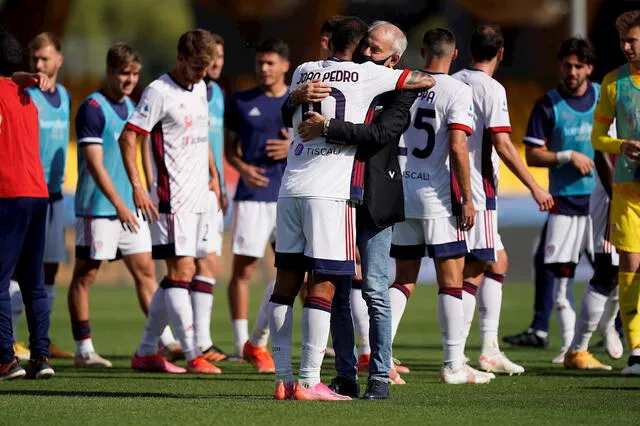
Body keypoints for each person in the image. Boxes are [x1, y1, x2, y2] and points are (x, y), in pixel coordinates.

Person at [269, 16, 435, 401]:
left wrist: (326, 126)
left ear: (393, 59)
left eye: (375, 49)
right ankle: (341, 375)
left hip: (372, 198)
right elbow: (428, 77)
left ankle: (379, 374)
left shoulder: (390, 87)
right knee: (335, 291)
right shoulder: (360, 75)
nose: (367, 53)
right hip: (334, 196)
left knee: (374, 290)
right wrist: (295, 98)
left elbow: (381, 134)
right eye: (366, 46)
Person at [388, 27, 495, 385]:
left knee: (402, 279)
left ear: (422, 52)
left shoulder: (401, 83)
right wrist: (466, 197)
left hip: (402, 192)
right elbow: (458, 146)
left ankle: (379, 358)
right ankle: (453, 365)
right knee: (451, 281)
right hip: (436, 197)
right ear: (454, 54)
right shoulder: (456, 90)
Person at [451, 24, 554, 375]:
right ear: (501, 53)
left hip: (448, 184)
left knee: (498, 262)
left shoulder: (452, 80)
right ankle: (458, 355)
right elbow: (503, 144)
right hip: (477, 190)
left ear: (468, 50)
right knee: (476, 268)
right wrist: (535, 187)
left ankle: (489, 349)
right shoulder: (491, 89)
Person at [68, 43, 178, 369]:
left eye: (133, 74)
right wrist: (119, 203)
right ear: (109, 71)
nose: (129, 80)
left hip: (130, 207)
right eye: (123, 73)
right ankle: (84, 349)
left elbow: (139, 150)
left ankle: (166, 340)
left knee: (146, 271)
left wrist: (144, 190)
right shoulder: (92, 107)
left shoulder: (132, 106)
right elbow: (95, 164)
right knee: (85, 275)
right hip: (98, 207)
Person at [122, 29, 223, 374]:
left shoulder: (201, 88)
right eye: (196, 67)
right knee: (183, 271)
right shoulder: (158, 91)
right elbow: (129, 137)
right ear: (180, 59)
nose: (201, 74)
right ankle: (194, 354)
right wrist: (137, 186)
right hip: (171, 198)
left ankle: (147, 351)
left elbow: (201, 135)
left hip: (198, 197)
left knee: (183, 273)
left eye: (206, 68)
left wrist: (213, 175)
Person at [506, 38, 598, 364]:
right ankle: (556, 337)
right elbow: (532, 154)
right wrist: (567, 155)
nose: (571, 71)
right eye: (566, 65)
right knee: (556, 270)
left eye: (577, 66)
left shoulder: (604, 98)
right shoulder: (548, 104)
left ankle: (617, 336)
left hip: (603, 202)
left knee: (614, 272)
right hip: (565, 202)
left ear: (589, 68)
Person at [224, 39, 290, 370]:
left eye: (270, 63)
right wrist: (243, 169)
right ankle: (241, 343)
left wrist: (292, 146)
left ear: (284, 66)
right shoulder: (240, 100)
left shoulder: (299, 101)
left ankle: (302, 339)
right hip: (252, 197)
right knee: (243, 269)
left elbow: (315, 140)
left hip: (289, 196)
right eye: (260, 62)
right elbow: (229, 149)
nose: (263, 68)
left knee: (297, 271)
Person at [9, 33, 74, 360]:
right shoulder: (24, 94)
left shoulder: (64, 95)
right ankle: (17, 341)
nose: (40, 64)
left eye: (45, 59)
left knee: (47, 271)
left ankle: (42, 341)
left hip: (53, 194)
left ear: (59, 59)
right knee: (19, 271)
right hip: (26, 191)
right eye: (35, 59)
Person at [0, 30, 55, 380]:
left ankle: (6, 360)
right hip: (38, 193)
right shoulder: (26, 96)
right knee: (34, 282)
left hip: (8, 194)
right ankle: (41, 357)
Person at [591, 10, 640, 375]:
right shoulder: (612, 83)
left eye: (633, 40)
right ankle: (637, 350)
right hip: (627, 192)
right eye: (623, 41)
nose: (626, 47)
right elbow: (597, 138)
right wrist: (620, 145)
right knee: (630, 267)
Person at [187, 31, 229, 363]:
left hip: (213, 189)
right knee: (191, 265)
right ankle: (195, 342)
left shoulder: (216, 93)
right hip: (189, 188)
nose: (216, 62)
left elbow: (215, 144)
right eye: (211, 56)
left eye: (220, 56)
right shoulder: (189, 91)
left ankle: (197, 341)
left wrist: (221, 182)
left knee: (206, 263)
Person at [564, 149, 622, 370]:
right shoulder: (618, 115)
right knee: (610, 271)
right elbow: (602, 151)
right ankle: (578, 349)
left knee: (629, 270)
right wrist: (616, 195)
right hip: (616, 195)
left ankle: (608, 325)